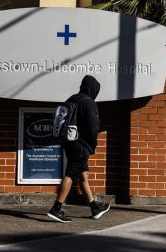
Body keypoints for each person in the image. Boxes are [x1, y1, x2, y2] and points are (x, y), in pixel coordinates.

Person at [47, 75, 110, 223]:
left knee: (82, 175)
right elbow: (93, 127)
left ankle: (94, 207)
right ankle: (56, 209)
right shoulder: (89, 102)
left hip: (69, 141)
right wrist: (92, 145)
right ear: (93, 89)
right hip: (80, 144)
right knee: (70, 174)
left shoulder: (71, 99)